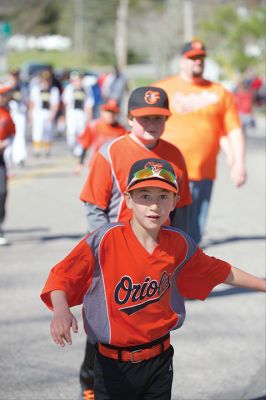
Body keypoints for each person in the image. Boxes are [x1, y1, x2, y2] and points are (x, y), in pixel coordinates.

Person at [40, 157, 266, 400]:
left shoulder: (178, 243)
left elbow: (219, 271)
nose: (154, 206)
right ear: (128, 200)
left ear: (175, 202)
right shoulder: (105, 240)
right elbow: (62, 276)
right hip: (112, 364)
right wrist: (61, 310)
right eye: (144, 196)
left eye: (163, 197)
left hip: (160, 359)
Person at [78, 86, 192, 399]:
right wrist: (107, 249)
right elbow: (94, 207)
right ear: (129, 118)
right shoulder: (110, 151)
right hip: (115, 253)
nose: (151, 123)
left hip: (157, 255)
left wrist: (181, 253)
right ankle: (90, 384)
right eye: (143, 118)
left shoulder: (174, 155)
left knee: (148, 321)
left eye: (158, 117)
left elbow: (181, 211)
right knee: (104, 321)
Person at [154, 39, 247, 244]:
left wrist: (237, 161)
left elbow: (231, 130)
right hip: (166, 171)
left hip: (203, 172)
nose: (198, 62)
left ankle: (187, 271)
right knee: (161, 230)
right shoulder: (163, 89)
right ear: (182, 61)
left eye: (201, 58)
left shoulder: (219, 92)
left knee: (193, 234)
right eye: (192, 58)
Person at [75, 99, 126, 175]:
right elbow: (85, 145)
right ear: (102, 112)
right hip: (96, 165)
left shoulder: (122, 130)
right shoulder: (94, 126)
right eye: (108, 111)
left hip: (114, 168)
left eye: (113, 112)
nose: (110, 115)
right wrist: (80, 163)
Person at [28, 70, 60, 157]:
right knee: (37, 132)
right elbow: (32, 103)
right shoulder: (36, 89)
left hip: (48, 113)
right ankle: (37, 150)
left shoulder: (54, 90)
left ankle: (47, 150)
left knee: (48, 132)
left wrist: (53, 114)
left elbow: (55, 104)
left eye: (47, 80)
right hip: (38, 112)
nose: (45, 82)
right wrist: (30, 114)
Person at [62, 71, 94, 156]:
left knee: (81, 132)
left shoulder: (86, 89)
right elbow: (66, 103)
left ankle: (79, 150)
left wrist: (89, 117)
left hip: (81, 113)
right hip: (72, 113)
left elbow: (89, 104)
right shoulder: (69, 89)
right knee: (71, 132)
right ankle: (72, 146)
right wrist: (64, 116)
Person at [0, 86, 16, 245]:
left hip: (0, 159)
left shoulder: (6, 114)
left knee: (2, 192)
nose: (4, 97)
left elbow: (12, 133)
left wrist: (5, 143)